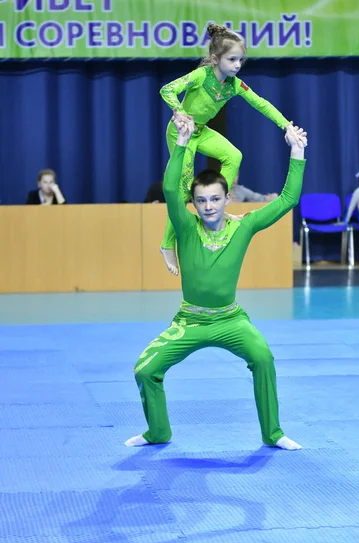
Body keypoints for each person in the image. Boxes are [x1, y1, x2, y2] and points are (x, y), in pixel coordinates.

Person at [125, 114, 307, 451]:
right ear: (193, 203)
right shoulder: (184, 225)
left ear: (227, 199)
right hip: (189, 321)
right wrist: (181, 143)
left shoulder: (244, 226)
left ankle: (273, 433)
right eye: (202, 200)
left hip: (231, 320)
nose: (209, 206)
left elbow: (287, 201)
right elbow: (169, 188)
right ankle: (158, 432)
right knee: (144, 370)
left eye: (215, 199)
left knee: (263, 358)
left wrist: (297, 153)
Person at [159, 22, 301, 276]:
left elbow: (262, 104)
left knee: (234, 155)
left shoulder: (234, 85)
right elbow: (167, 89)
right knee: (183, 188)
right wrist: (178, 111)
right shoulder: (201, 76)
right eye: (232, 59)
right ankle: (167, 244)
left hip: (201, 131)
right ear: (215, 59)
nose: (237, 65)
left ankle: (218, 203)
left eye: (241, 60)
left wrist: (286, 126)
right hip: (182, 133)